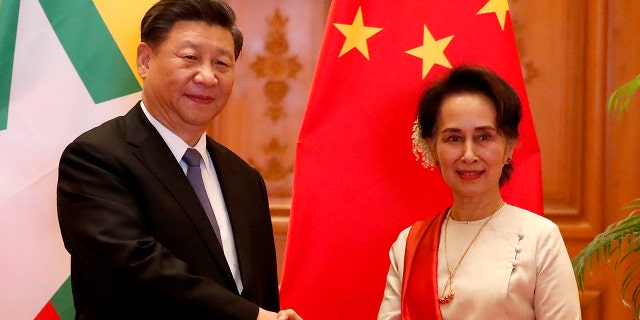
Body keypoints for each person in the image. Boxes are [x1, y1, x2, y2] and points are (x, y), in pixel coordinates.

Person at [56, 1, 302, 319]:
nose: (207, 76)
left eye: (222, 63)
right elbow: (134, 273)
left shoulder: (244, 177)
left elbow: (261, 292)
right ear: (145, 61)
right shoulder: (96, 159)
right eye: (190, 58)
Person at [377, 66, 581, 319]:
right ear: (432, 148)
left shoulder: (540, 239)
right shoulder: (410, 244)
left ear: (509, 147)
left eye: (484, 137)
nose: (469, 155)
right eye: (454, 139)